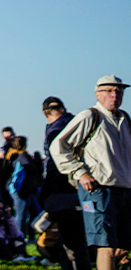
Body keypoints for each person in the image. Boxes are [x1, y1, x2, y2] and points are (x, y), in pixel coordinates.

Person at [50, 75, 131, 270]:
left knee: (124, 245)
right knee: (106, 246)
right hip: (99, 188)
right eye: (109, 91)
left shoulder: (125, 118)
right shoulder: (90, 116)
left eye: (119, 91)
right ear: (97, 94)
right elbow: (59, 146)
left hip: (124, 188)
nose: (115, 95)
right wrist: (80, 172)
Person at [39, 97, 90, 270]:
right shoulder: (76, 124)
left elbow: (55, 163)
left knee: (71, 242)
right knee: (78, 240)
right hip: (82, 188)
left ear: (45, 113)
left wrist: (47, 190)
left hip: (64, 191)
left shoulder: (56, 130)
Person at [6, 136, 40, 239]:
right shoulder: (23, 157)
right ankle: (20, 237)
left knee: (34, 212)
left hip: (20, 190)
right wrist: (37, 160)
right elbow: (36, 170)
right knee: (21, 215)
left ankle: (29, 235)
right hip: (22, 190)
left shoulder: (12, 156)